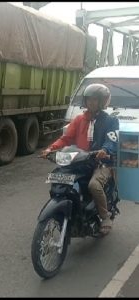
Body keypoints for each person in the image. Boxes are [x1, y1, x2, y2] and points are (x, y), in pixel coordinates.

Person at [41, 83, 119, 235]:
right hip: (79, 160)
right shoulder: (78, 120)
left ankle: (105, 217)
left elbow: (112, 139)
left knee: (94, 185)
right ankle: (66, 210)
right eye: (89, 99)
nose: (91, 102)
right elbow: (66, 139)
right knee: (59, 177)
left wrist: (105, 150)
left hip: (101, 162)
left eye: (95, 100)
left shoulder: (110, 121)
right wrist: (50, 149)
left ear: (102, 101)